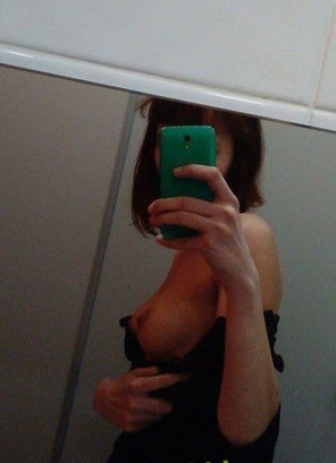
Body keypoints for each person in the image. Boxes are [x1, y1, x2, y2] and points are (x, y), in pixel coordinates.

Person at [93, 98, 283, 463]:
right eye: (169, 142)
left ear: (237, 156)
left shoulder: (249, 236)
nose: (183, 166)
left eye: (205, 148)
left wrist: (242, 282)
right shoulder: (189, 246)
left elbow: (248, 433)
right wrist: (107, 394)